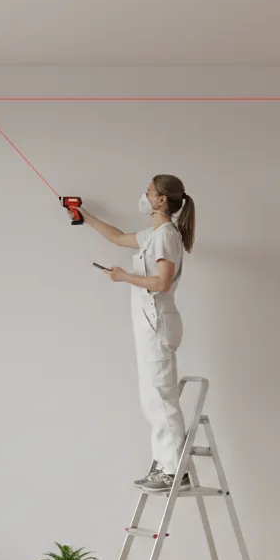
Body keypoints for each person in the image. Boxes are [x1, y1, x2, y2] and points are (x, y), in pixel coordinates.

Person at [79, 175, 196, 491]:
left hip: (157, 324)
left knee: (160, 398)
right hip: (150, 325)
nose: (143, 196)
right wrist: (83, 214)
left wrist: (124, 277)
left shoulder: (166, 237)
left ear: (161, 201)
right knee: (152, 399)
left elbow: (162, 282)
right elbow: (117, 237)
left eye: (148, 192)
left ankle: (176, 472)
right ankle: (167, 466)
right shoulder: (155, 234)